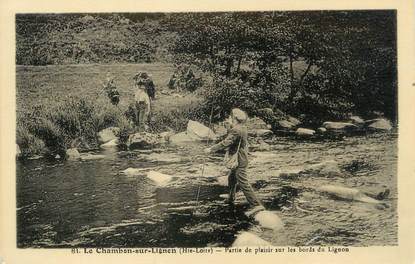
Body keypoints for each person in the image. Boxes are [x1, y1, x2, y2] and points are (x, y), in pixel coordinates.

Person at [204, 108, 264, 210]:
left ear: (235, 118)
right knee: (231, 178)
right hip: (241, 158)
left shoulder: (236, 130)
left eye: (231, 117)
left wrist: (211, 149)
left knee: (243, 182)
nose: (229, 118)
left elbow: (226, 142)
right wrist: (229, 127)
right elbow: (234, 136)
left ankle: (257, 205)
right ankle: (231, 198)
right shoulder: (242, 127)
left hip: (239, 160)